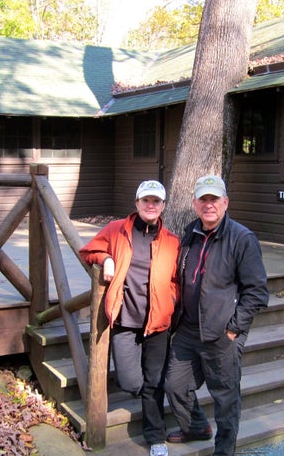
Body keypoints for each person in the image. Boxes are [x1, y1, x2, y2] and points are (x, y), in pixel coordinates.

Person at [164, 175, 269, 456]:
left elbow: (256, 292)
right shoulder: (190, 232)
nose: (209, 205)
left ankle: (224, 451)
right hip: (187, 330)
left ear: (225, 202)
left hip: (222, 333)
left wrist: (234, 330)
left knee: (225, 400)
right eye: (203, 199)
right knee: (175, 385)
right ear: (194, 203)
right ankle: (196, 426)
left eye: (214, 199)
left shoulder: (242, 238)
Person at [79, 180, 180, 456]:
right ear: (136, 203)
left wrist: (171, 299)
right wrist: (105, 259)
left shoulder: (172, 241)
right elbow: (87, 251)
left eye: (156, 201)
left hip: (158, 324)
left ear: (163, 206)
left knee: (155, 383)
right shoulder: (117, 230)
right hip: (125, 320)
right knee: (130, 382)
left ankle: (156, 437)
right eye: (146, 200)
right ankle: (146, 402)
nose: (151, 205)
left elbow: (176, 280)